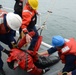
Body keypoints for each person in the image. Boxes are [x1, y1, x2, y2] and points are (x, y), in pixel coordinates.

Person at [0, 8, 22, 75]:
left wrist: (13, 42)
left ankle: (15, 58)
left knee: (13, 44)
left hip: (3, 31)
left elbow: (11, 33)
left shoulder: (11, 19)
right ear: (9, 24)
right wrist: (4, 50)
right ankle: (0, 67)